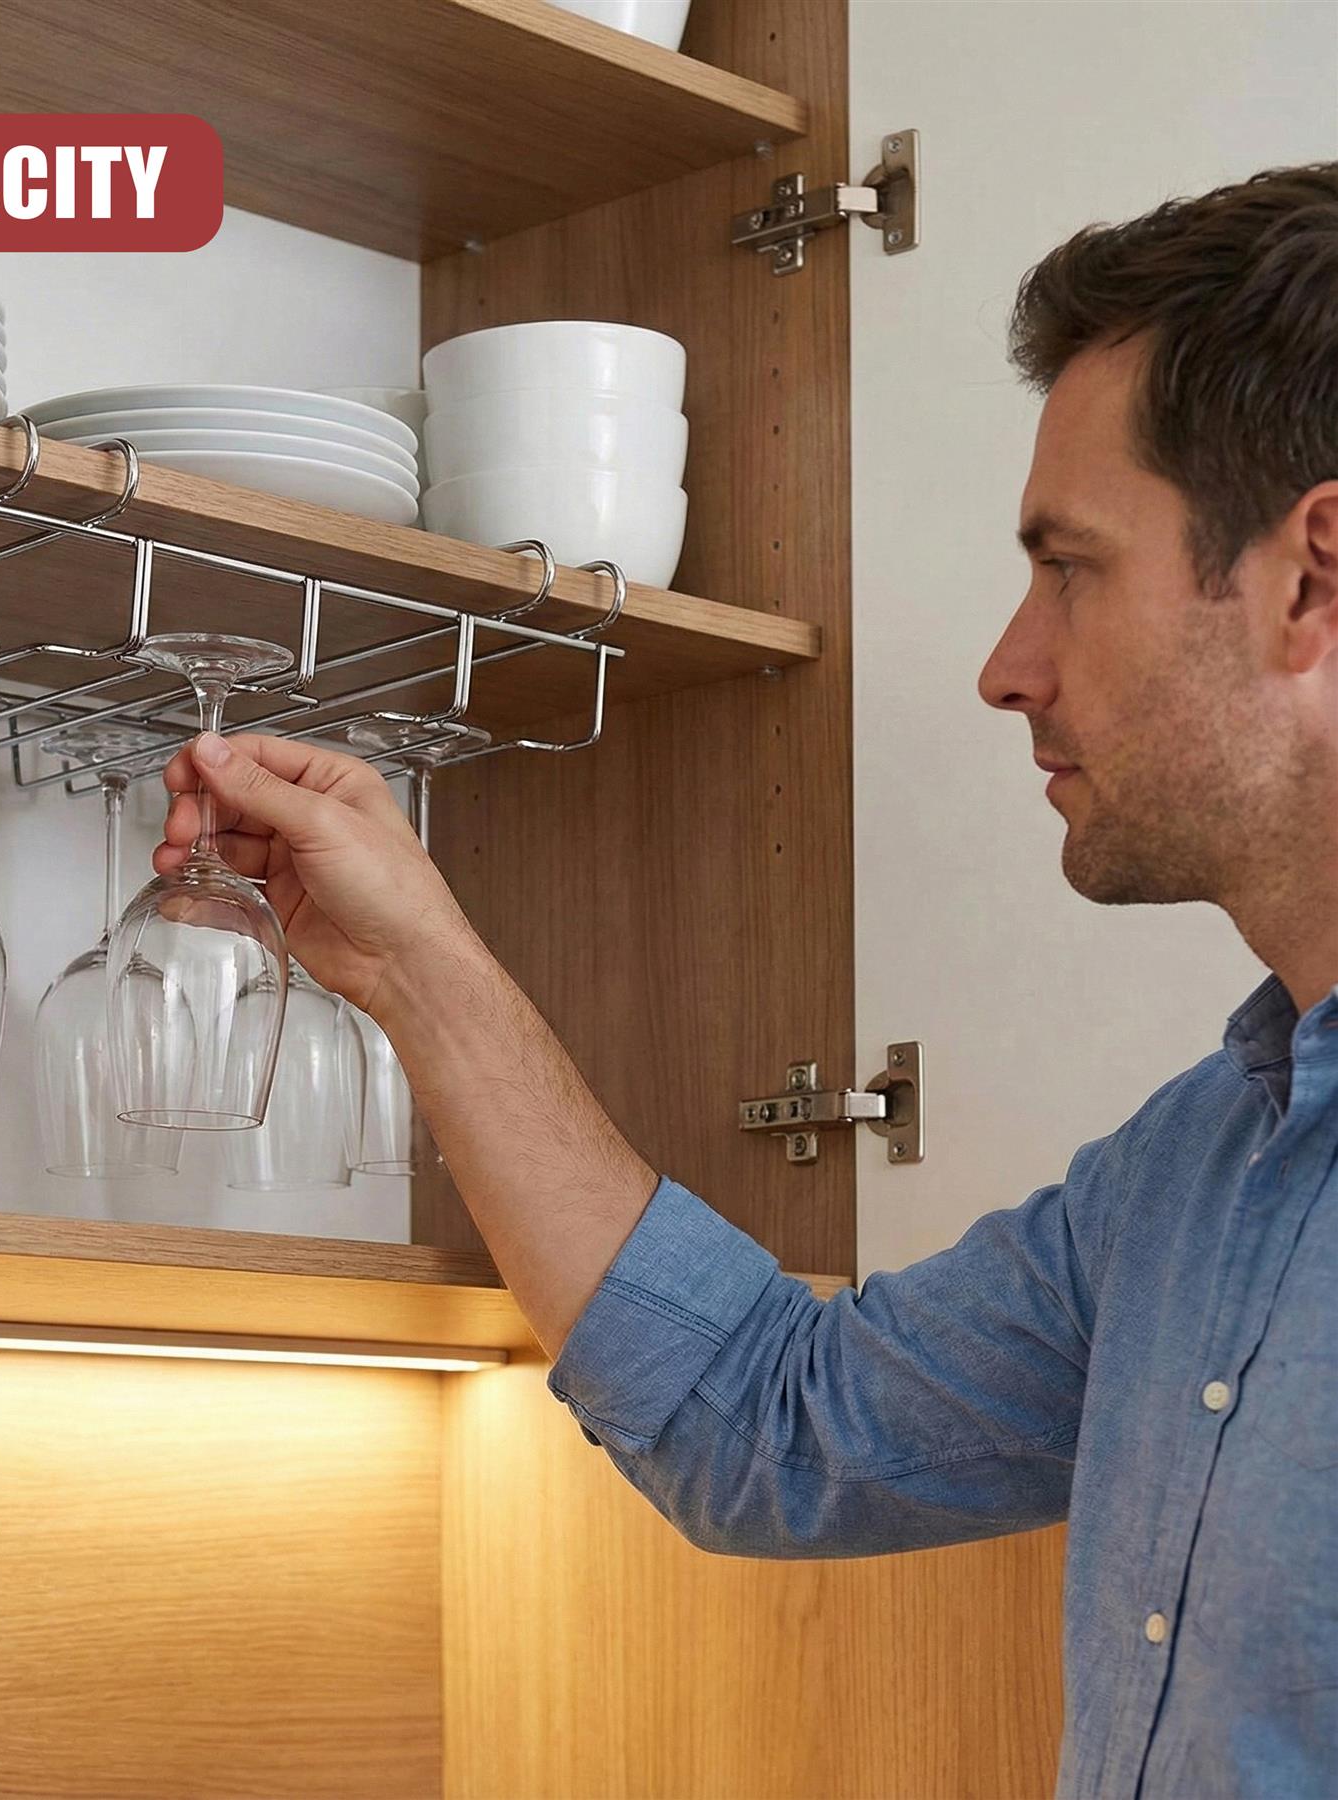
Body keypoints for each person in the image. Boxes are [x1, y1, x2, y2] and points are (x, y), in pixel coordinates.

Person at [152, 164, 1338, 1799]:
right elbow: (773, 1421)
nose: (1010, 665)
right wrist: (410, 962)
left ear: (1312, 576)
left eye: (1071, 566)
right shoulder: (1200, 1177)